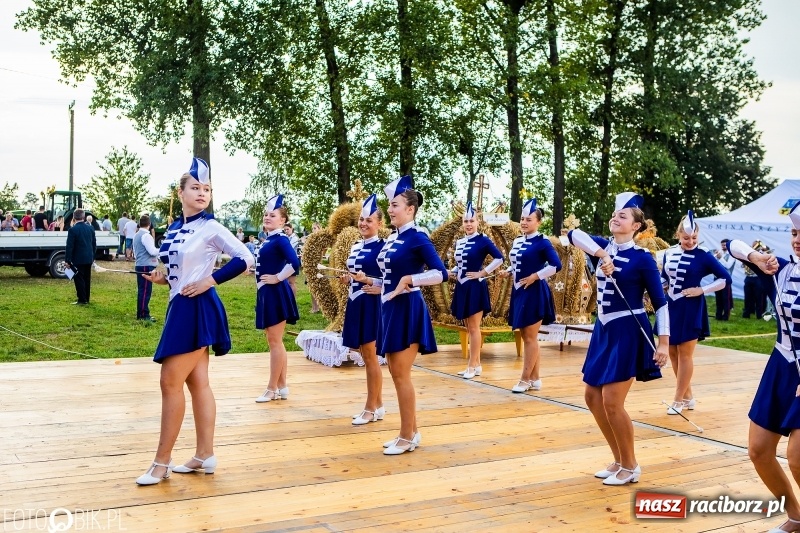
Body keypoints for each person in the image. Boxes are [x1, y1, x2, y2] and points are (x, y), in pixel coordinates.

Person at [135, 157, 254, 485]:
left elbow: (246, 257)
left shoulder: (211, 227)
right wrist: (163, 279)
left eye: (207, 189)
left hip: (197, 306)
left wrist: (210, 280)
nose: (202, 193)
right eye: (196, 188)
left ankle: (161, 462)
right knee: (196, 382)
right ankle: (204, 454)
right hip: (181, 304)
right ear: (181, 192)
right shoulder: (175, 227)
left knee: (169, 381)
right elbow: (179, 271)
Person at [567, 192, 669, 485]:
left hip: (629, 330)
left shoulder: (642, 259)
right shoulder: (600, 246)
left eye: (623, 216)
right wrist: (602, 255)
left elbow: (661, 302)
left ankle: (631, 465)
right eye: (614, 215)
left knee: (612, 401)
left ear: (636, 226)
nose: (616, 218)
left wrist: (663, 341)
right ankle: (618, 459)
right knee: (591, 397)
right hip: (604, 330)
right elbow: (573, 234)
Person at [726, 202, 800, 533]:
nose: (797, 238)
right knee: (758, 451)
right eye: (795, 232)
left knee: (798, 458)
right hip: (780, 367)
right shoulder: (778, 270)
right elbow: (731, 245)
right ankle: (797, 516)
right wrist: (756, 257)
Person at [377, 175, 448, 455]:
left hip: (408, 308)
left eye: (395, 205)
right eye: (389, 205)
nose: (390, 210)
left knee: (401, 374)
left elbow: (440, 273)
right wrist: (372, 283)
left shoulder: (418, 237)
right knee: (395, 371)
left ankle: (406, 436)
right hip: (389, 307)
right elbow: (388, 275)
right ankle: (412, 431)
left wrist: (412, 279)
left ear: (410, 209)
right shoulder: (394, 238)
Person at [661, 211, 731, 415]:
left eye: (694, 238)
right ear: (678, 235)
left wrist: (702, 290)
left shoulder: (704, 255)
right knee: (672, 352)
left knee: (685, 354)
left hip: (691, 306)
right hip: (671, 305)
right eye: (686, 238)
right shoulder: (669, 252)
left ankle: (678, 400)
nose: (690, 241)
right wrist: (658, 289)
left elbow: (725, 279)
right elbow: (665, 277)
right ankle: (688, 395)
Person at [499, 199, 561, 392]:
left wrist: (536, 276)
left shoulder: (543, 242)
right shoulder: (518, 240)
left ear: (538, 222)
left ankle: (525, 379)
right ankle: (535, 378)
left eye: (529, 219)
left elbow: (555, 265)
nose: (524, 222)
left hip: (534, 292)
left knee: (530, 337)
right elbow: (518, 261)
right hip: (519, 291)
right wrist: (509, 271)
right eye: (522, 219)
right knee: (527, 336)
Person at [340, 195, 386, 424]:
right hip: (355, 301)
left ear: (380, 223)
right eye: (361, 219)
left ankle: (370, 408)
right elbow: (356, 275)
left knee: (370, 356)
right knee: (364, 355)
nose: (364, 224)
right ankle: (378, 405)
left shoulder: (384, 247)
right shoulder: (356, 245)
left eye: (369, 220)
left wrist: (374, 284)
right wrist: (348, 279)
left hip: (371, 303)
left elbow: (389, 279)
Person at [254, 195, 300, 403]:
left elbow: (295, 263)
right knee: (275, 341)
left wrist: (277, 278)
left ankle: (272, 387)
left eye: (272, 215)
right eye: (266, 214)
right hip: (267, 292)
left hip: (275, 292)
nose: (267, 217)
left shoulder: (281, 239)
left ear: (282, 221)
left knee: (275, 341)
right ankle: (282, 386)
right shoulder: (270, 239)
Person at [450, 201, 504, 379]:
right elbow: (460, 265)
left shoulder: (483, 240)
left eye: (471, 221)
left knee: (474, 328)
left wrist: (483, 272)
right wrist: (453, 272)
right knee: (468, 327)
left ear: (477, 222)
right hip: (462, 286)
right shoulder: (459, 242)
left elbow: (499, 258)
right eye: (466, 221)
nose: (468, 224)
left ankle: (471, 366)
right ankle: (477, 364)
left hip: (475, 287)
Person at [65, 209, 96, 305]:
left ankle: (82, 299)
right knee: (87, 278)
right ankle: (86, 297)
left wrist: (67, 260)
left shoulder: (72, 230)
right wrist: (93, 256)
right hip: (88, 257)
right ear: (84, 217)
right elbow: (94, 244)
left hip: (78, 258)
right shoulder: (90, 228)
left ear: (74, 217)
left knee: (79, 279)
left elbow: (70, 246)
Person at [133, 214, 160, 322]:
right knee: (145, 291)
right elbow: (152, 251)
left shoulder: (136, 235)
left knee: (142, 290)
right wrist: (162, 249)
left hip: (139, 264)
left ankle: (141, 313)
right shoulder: (146, 236)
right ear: (149, 224)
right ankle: (144, 315)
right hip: (145, 265)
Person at [713, 239, 736, 320]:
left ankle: (726, 316)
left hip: (725, 279)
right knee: (718, 298)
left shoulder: (731, 255)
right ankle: (718, 315)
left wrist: (720, 258)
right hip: (716, 278)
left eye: (725, 245)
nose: (723, 247)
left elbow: (728, 266)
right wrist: (715, 258)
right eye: (722, 245)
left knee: (725, 298)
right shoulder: (720, 253)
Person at [283, 222, 300, 297]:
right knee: (286, 282)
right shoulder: (287, 237)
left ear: (292, 229)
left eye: (287, 229)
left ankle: (293, 300)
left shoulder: (295, 238)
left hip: (293, 261)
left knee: (291, 282)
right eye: (285, 230)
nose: (286, 231)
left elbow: (289, 248)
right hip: (287, 261)